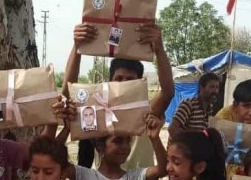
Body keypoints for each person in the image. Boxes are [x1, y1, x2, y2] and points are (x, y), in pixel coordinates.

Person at [68, 22, 174, 170]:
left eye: (130, 80)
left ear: (139, 83)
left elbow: (168, 92)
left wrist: (159, 49)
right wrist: (77, 47)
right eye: (119, 79)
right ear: (110, 81)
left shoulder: (146, 112)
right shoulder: (98, 110)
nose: (124, 83)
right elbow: (69, 91)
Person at [54, 100, 167, 180]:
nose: (125, 146)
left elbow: (163, 169)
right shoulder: (84, 177)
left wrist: (155, 138)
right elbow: (53, 157)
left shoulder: (135, 178)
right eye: (118, 141)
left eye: (128, 141)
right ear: (100, 146)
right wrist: (67, 129)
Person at [168, 73, 220, 138]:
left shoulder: (210, 108)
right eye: (211, 87)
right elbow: (172, 129)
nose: (215, 91)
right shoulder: (188, 104)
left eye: (217, 87)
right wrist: (191, 140)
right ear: (202, 88)